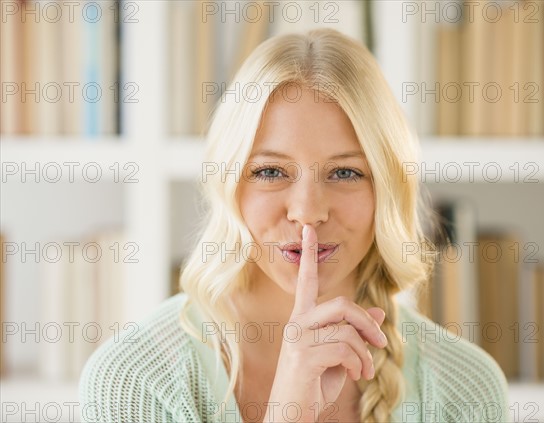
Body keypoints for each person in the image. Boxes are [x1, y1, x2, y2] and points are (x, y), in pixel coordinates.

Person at [79, 28, 509, 423]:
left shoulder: (465, 390)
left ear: (388, 189)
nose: (307, 211)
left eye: (345, 173)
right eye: (270, 172)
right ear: (229, 184)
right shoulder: (133, 382)